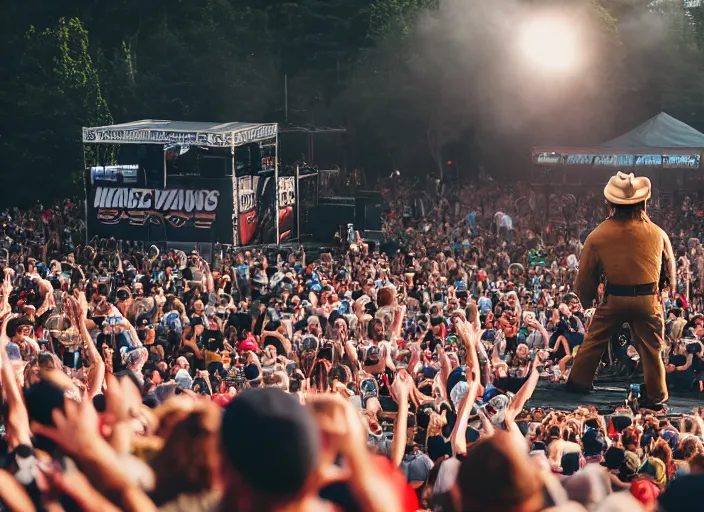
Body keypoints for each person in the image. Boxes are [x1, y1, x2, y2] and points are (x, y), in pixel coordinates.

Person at [566, 172, 676, 410]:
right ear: (642, 203)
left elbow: (584, 277)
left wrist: (587, 301)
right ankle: (656, 396)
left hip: (614, 298)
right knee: (651, 348)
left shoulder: (597, 235)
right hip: (647, 299)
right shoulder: (657, 233)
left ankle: (578, 383)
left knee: (594, 339)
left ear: (610, 204)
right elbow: (669, 269)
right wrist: (664, 294)